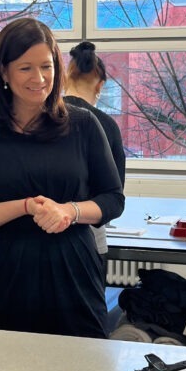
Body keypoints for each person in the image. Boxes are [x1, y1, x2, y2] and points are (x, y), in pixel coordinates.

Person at [0, 18, 125, 339]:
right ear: (4, 72)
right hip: (9, 271)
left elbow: (113, 199)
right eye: (25, 68)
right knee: (10, 363)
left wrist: (69, 211)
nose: (39, 78)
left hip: (74, 267)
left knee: (83, 362)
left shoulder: (84, 124)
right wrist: (26, 206)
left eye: (46, 66)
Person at [64, 40, 126, 261]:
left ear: (65, 78)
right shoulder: (107, 125)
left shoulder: (41, 119)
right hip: (88, 241)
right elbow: (114, 196)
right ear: (100, 86)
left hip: (40, 235)